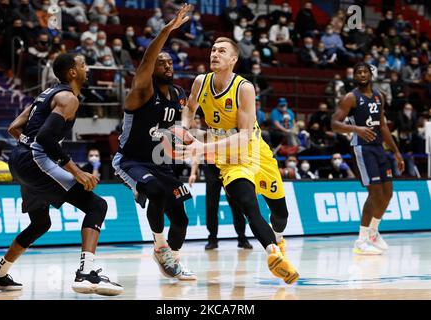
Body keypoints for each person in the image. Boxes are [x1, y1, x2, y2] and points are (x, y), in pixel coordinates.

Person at [0, 53, 123, 295]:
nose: (87, 68)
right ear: (72, 72)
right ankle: (86, 274)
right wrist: (76, 171)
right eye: (83, 65)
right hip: (34, 160)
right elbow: (46, 138)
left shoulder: (45, 95)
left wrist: (30, 148)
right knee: (96, 205)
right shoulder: (68, 98)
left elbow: (14, 128)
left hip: (19, 159)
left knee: (40, 223)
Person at [180, 37, 299, 284]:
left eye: (221, 51)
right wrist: (184, 129)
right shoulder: (200, 82)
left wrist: (204, 146)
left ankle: (279, 240)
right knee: (248, 205)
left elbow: (244, 136)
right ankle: (273, 255)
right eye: (212, 49)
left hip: (256, 151)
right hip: (229, 159)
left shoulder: (244, 87)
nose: (214, 53)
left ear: (233, 59)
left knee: (280, 214)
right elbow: (190, 109)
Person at [111, 4, 196, 281]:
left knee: (182, 218)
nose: (167, 65)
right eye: (162, 62)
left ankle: (173, 259)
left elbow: (178, 127)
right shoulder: (142, 90)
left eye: (170, 62)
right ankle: (160, 247)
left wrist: (187, 137)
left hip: (161, 163)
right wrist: (167, 29)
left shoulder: (179, 93)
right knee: (156, 192)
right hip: (131, 160)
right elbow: (148, 59)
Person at [331, 62, 404, 255]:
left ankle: (373, 231)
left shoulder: (380, 96)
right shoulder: (350, 98)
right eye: (358, 72)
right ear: (355, 76)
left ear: (371, 75)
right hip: (362, 149)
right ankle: (361, 241)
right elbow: (334, 123)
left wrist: (396, 151)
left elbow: (383, 126)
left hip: (379, 148)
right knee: (375, 193)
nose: (362, 74)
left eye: (365, 72)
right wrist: (356, 129)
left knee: (388, 193)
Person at [188, 138, 253, 250]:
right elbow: (198, 152)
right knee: (211, 205)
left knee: (236, 204)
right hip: (211, 169)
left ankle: (242, 238)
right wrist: (193, 172)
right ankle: (212, 239)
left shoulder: (227, 128)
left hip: (228, 167)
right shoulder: (205, 131)